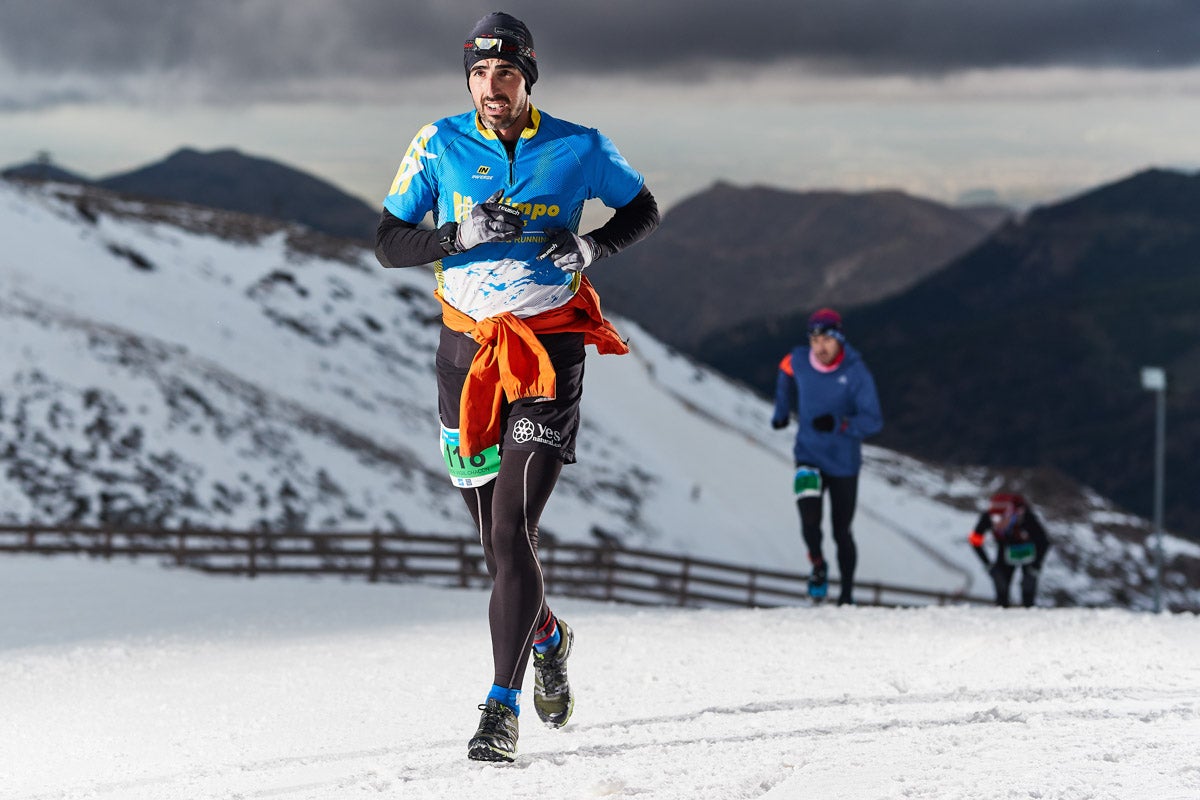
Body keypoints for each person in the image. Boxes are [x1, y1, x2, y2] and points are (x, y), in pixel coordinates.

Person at [375, 12, 659, 763]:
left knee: (511, 532)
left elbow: (643, 206)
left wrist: (593, 245)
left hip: (547, 351)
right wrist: (456, 237)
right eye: (478, 74)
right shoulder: (437, 143)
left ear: (528, 77)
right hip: (464, 357)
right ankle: (550, 635)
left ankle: (499, 707)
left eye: (505, 73)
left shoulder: (579, 145)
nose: (490, 87)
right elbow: (387, 241)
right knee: (494, 548)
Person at [770, 308, 883, 606]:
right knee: (809, 518)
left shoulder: (856, 373)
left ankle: (846, 594)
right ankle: (818, 566)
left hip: (844, 463)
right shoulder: (800, 360)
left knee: (841, 531)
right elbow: (785, 370)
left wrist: (841, 424)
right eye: (814, 340)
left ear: (839, 339)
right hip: (807, 455)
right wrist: (781, 410)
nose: (820, 347)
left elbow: (873, 420)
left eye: (827, 340)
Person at [968, 492, 1051, 607]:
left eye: (1001, 518)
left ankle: (1030, 615)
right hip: (1004, 550)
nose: (997, 522)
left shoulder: (1026, 517)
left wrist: (1035, 567)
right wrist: (988, 565)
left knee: (1028, 589)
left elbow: (1044, 542)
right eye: (994, 519)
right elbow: (975, 540)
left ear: (1011, 514)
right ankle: (1001, 616)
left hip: (1028, 551)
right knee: (1001, 586)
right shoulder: (987, 517)